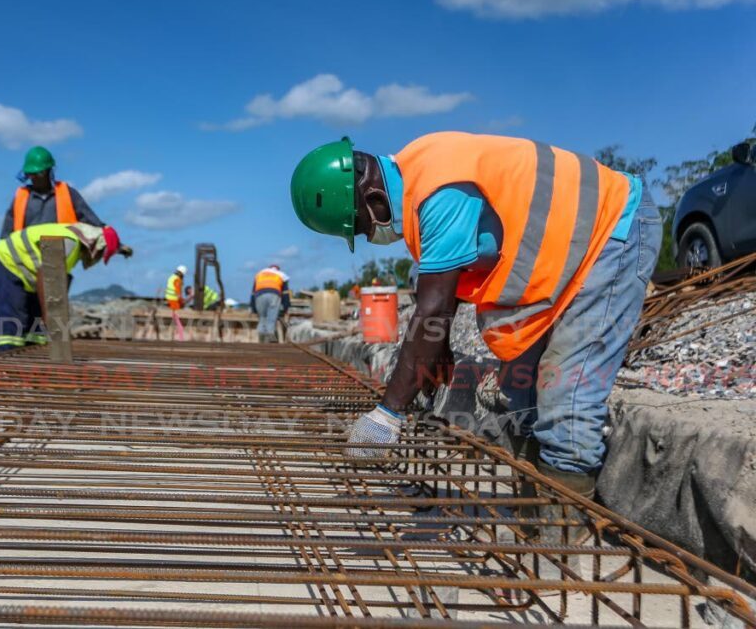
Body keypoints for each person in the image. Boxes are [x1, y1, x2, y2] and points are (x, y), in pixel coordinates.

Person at [290, 132, 661, 505]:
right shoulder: (419, 177)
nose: (371, 237)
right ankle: (534, 510)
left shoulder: (439, 190)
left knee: (567, 395)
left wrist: (388, 415)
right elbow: (440, 294)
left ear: (372, 199)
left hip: (612, 230)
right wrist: (438, 346)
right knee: (521, 394)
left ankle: (566, 533)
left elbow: (431, 310)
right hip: (563, 255)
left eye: (363, 228)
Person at [0, 223, 131, 350]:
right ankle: (8, 363)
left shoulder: (76, 246)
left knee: (36, 323)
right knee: (13, 318)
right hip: (9, 261)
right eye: (101, 254)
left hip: (29, 272)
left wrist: (122, 249)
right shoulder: (69, 242)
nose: (98, 258)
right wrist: (50, 315)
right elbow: (45, 274)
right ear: (95, 245)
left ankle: (35, 358)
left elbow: (57, 280)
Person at [0, 146, 106, 237]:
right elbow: (6, 235)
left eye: (39, 173)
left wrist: (113, 241)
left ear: (49, 172)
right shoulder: (21, 197)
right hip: (28, 254)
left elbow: (92, 221)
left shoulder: (68, 194)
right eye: (31, 174)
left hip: (60, 252)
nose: (35, 177)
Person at [250, 265, 291, 343]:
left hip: (259, 295)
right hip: (274, 295)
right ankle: (270, 343)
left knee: (262, 318)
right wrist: (286, 307)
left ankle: (261, 341)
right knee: (271, 320)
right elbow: (285, 293)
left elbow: (253, 293)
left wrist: (253, 307)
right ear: (277, 269)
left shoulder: (260, 274)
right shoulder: (281, 275)